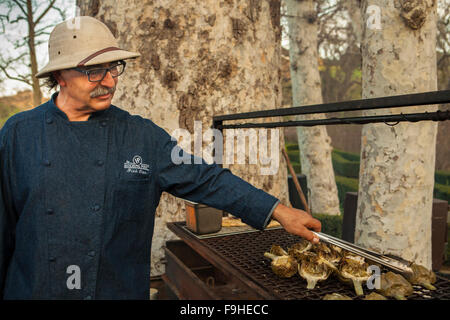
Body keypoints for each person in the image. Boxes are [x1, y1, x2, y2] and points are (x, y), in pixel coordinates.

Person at [0, 16, 321, 299]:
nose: (109, 81)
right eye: (93, 71)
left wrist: (277, 210)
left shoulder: (142, 136)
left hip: (117, 291)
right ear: (60, 76)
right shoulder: (18, 133)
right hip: (34, 289)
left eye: (113, 68)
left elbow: (206, 179)